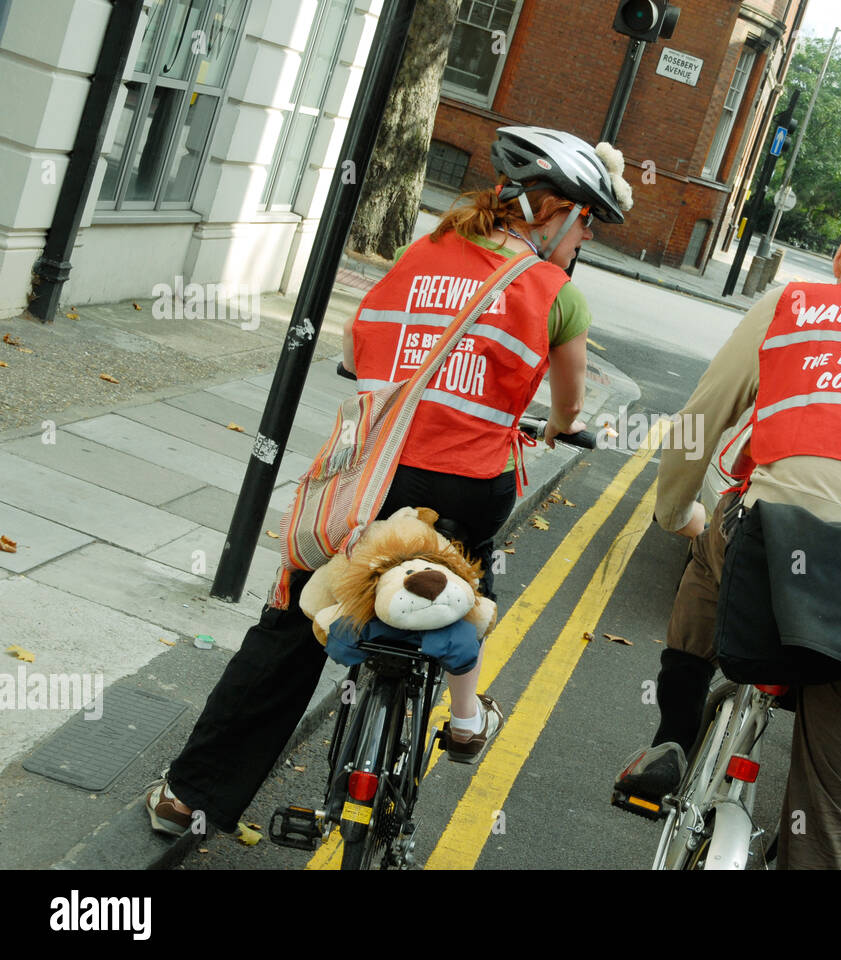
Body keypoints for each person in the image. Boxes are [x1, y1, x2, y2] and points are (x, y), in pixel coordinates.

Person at [144, 125, 633, 836]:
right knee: (466, 575)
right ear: (552, 211)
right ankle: (466, 719)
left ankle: (189, 797)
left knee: (290, 623)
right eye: (587, 223)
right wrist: (557, 427)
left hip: (372, 480)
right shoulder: (557, 291)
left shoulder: (424, 250)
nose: (585, 240)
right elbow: (568, 404)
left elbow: (356, 344)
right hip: (468, 486)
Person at [613, 193, 841, 869]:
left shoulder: (789, 308)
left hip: (772, 546)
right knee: (830, 814)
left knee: (710, 544)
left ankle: (672, 735)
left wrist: (675, 518)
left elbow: (699, 421)